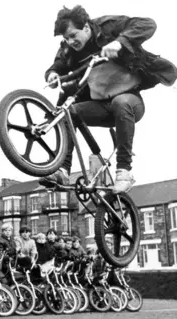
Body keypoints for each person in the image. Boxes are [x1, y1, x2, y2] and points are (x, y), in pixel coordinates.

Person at [40, 5, 177, 194]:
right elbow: (59, 63)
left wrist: (120, 41)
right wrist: (53, 73)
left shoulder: (108, 26)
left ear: (86, 27)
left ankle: (124, 172)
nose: (71, 42)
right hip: (100, 106)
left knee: (121, 103)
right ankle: (63, 169)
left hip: (130, 100)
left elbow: (147, 24)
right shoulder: (69, 48)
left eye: (73, 35)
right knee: (68, 113)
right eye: (66, 39)